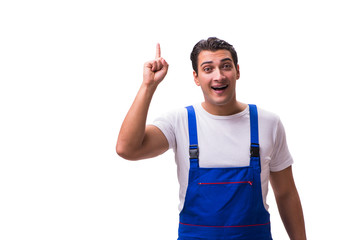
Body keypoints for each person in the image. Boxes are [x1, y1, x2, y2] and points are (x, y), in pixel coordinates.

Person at [116, 37, 306, 240]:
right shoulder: (179, 122)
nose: (219, 76)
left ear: (237, 71)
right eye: (208, 69)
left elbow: (286, 194)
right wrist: (148, 86)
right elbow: (127, 149)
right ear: (196, 77)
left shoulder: (268, 123)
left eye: (226, 66)